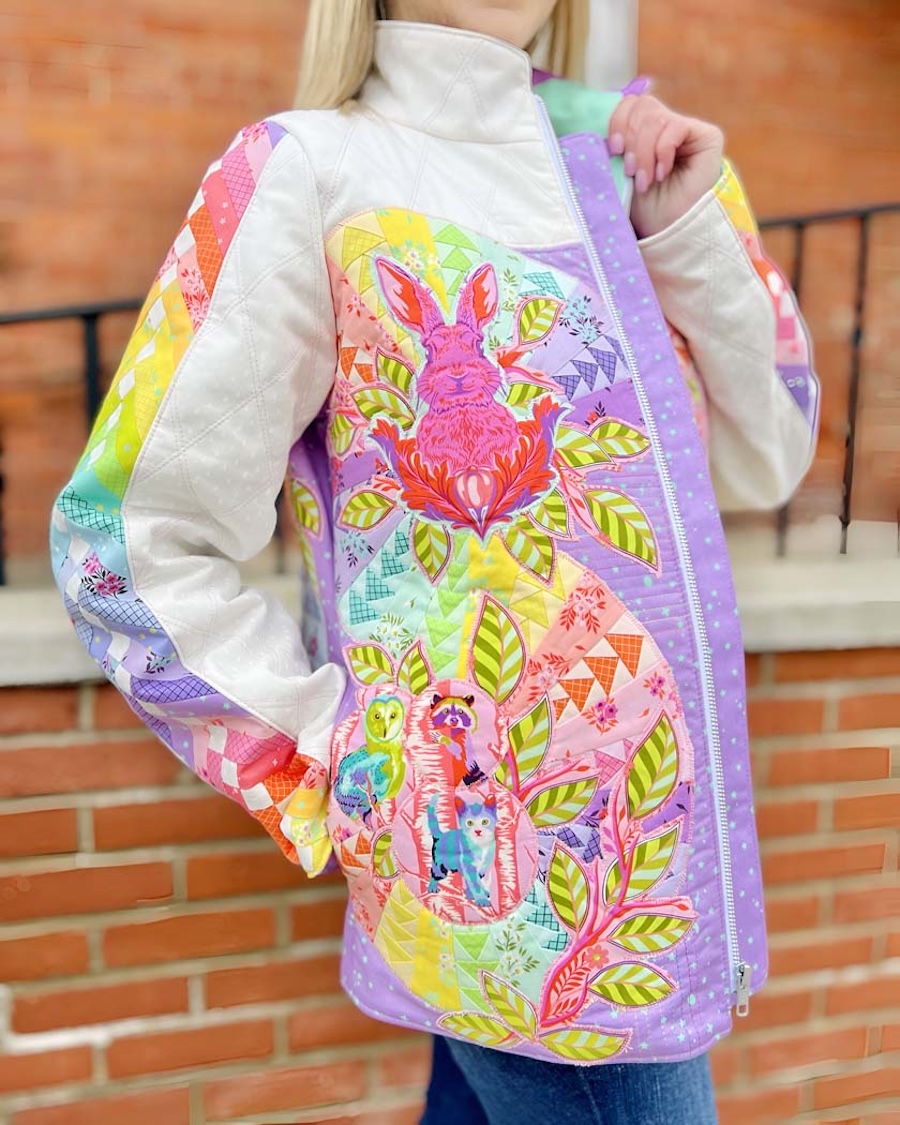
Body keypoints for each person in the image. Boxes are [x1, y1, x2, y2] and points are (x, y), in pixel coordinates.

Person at [50, 1, 819, 1122]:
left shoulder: (623, 161)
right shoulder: (309, 169)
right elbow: (122, 538)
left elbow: (771, 451)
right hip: (509, 899)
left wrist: (684, 224)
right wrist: (345, 764)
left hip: (653, 882)